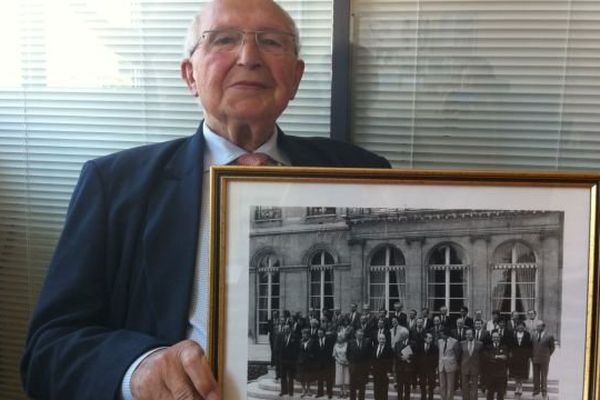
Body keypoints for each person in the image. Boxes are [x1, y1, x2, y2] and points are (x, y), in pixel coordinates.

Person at [19, 0, 390, 399]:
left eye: (271, 42)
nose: (249, 57)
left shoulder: (360, 172)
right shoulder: (114, 185)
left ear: (296, 78)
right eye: (224, 40)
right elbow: (49, 351)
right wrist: (136, 369)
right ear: (189, 75)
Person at [508, 321, 532, 399]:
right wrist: (510, 353)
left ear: (524, 327)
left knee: (521, 373)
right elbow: (510, 345)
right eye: (519, 326)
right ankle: (516, 386)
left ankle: (520, 387)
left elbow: (529, 346)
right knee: (516, 373)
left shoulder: (527, 335)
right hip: (515, 356)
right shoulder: (513, 334)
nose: (520, 327)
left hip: (523, 357)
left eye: (522, 326)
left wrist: (528, 355)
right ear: (517, 327)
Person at [531, 321, 555, 399]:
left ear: (543, 327)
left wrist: (547, 355)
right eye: (537, 326)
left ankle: (544, 392)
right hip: (535, 359)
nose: (538, 328)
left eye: (539, 326)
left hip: (544, 360)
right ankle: (536, 391)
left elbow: (552, 348)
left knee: (544, 377)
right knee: (536, 376)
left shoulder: (549, 336)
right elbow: (532, 347)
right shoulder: (534, 335)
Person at [347, 328, 371, 400]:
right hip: (353, 368)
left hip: (363, 369)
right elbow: (347, 354)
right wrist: (351, 364)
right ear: (355, 335)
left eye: (361, 335)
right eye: (359, 334)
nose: (360, 336)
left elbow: (369, 356)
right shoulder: (350, 342)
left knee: (362, 388)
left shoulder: (366, 343)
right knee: (352, 388)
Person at [459, 328, 483, 400]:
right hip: (464, 367)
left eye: (469, 334)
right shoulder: (461, 343)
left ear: (473, 334)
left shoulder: (480, 344)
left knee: (474, 387)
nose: (468, 336)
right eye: (466, 334)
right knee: (464, 387)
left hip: (475, 367)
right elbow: (459, 356)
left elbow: (481, 357)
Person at [485, 331, 509, 400]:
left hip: (501, 374)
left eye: (497, 337)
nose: (495, 338)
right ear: (492, 338)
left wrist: (494, 357)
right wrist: (498, 356)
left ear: (499, 338)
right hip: (490, 374)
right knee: (490, 393)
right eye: (494, 337)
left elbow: (505, 357)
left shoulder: (504, 347)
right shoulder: (488, 347)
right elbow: (487, 357)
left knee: (500, 393)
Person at [438, 329, 459, 400]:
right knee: (442, 385)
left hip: (450, 365)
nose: (441, 336)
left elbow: (457, 354)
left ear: (446, 334)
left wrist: (454, 363)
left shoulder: (454, 342)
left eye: (442, 334)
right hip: (441, 365)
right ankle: (443, 398)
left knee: (450, 385)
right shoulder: (439, 341)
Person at [416, 332, 438, 400]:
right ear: (425, 339)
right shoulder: (420, 346)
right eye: (429, 338)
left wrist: (433, 366)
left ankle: (431, 397)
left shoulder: (434, 347)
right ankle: (423, 397)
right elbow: (417, 356)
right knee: (422, 384)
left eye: (431, 338)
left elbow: (436, 358)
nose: (431, 339)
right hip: (422, 368)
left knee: (431, 384)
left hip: (431, 368)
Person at [315, 328, 335, 399]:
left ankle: (329, 393)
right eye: (318, 333)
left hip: (327, 363)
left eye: (320, 333)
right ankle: (320, 393)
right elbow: (315, 353)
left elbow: (331, 351)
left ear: (324, 333)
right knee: (319, 379)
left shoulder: (329, 340)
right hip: (319, 364)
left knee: (328, 379)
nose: (319, 334)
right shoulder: (316, 341)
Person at [371, 333, 393, 400]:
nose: (381, 340)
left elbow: (390, 362)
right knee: (376, 390)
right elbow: (373, 359)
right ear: (378, 339)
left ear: (385, 340)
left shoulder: (388, 349)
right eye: (380, 339)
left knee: (383, 391)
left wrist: (389, 371)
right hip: (376, 373)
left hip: (384, 373)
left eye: (383, 339)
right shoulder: (375, 347)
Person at [332, 333, 350, 398]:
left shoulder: (347, 345)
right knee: (340, 378)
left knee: (345, 377)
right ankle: (340, 392)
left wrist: (346, 361)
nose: (339, 338)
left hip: (346, 363)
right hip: (338, 363)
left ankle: (345, 392)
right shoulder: (335, 345)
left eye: (341, 337)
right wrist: (339, 360)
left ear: (343, 338)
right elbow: (334, 355)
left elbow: (349, 353)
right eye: (338, 337)